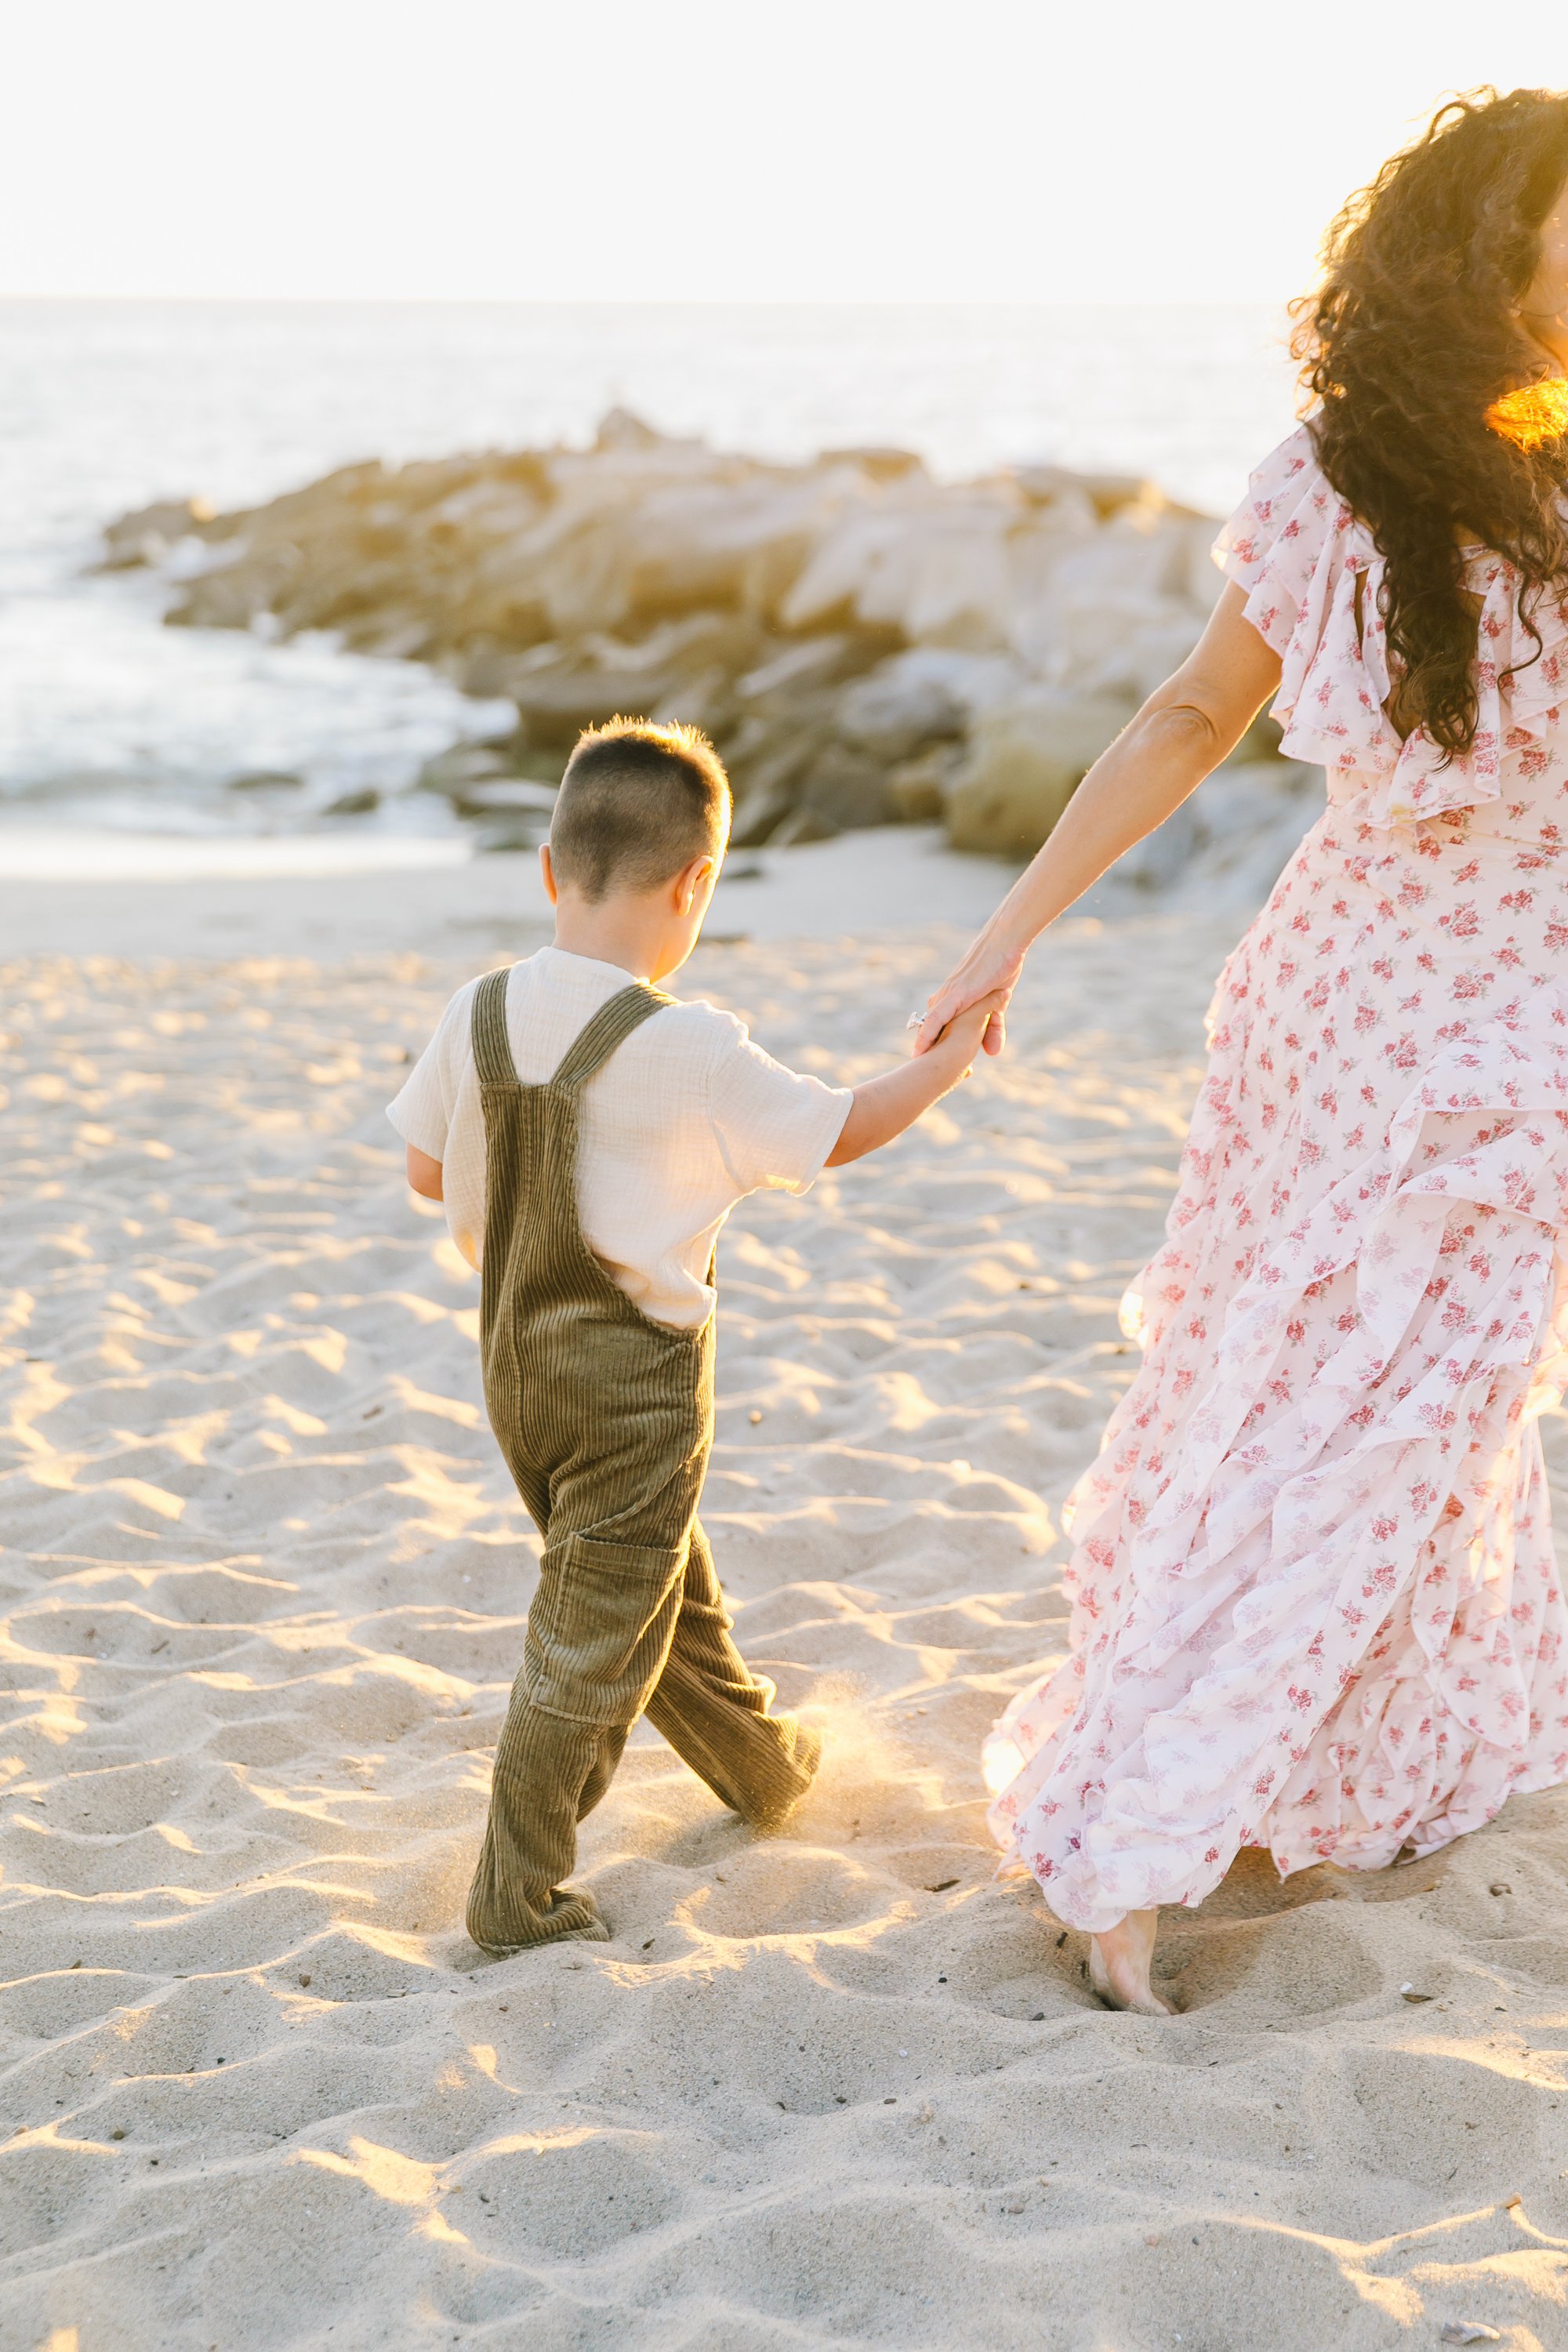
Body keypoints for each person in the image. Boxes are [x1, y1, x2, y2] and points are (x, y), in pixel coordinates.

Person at [914, 88, 1568, 2015]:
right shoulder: (1377, 483)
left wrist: (1007, 925)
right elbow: (1188, 712)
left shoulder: (1358, 469)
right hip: (1430, 1018)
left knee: (1363, 1409)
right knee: (1358, 1410)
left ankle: (1284, 1761)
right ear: (1493, 254)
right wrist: (1002, 928)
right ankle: (1137, 1833)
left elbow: (1190, 718)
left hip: (1389, 995)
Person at [389, 717, 1001, 1951]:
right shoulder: (689, 1046)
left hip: (515, 1371)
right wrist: (943, 1064)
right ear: (696, 885)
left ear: (552, 869)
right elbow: (839, 1128)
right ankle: (514, 1896)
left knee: (659, 1588)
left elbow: (421, 1171)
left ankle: (763, 1767)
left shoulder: (480, 1011)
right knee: (588, 1647)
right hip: (637, 1392)